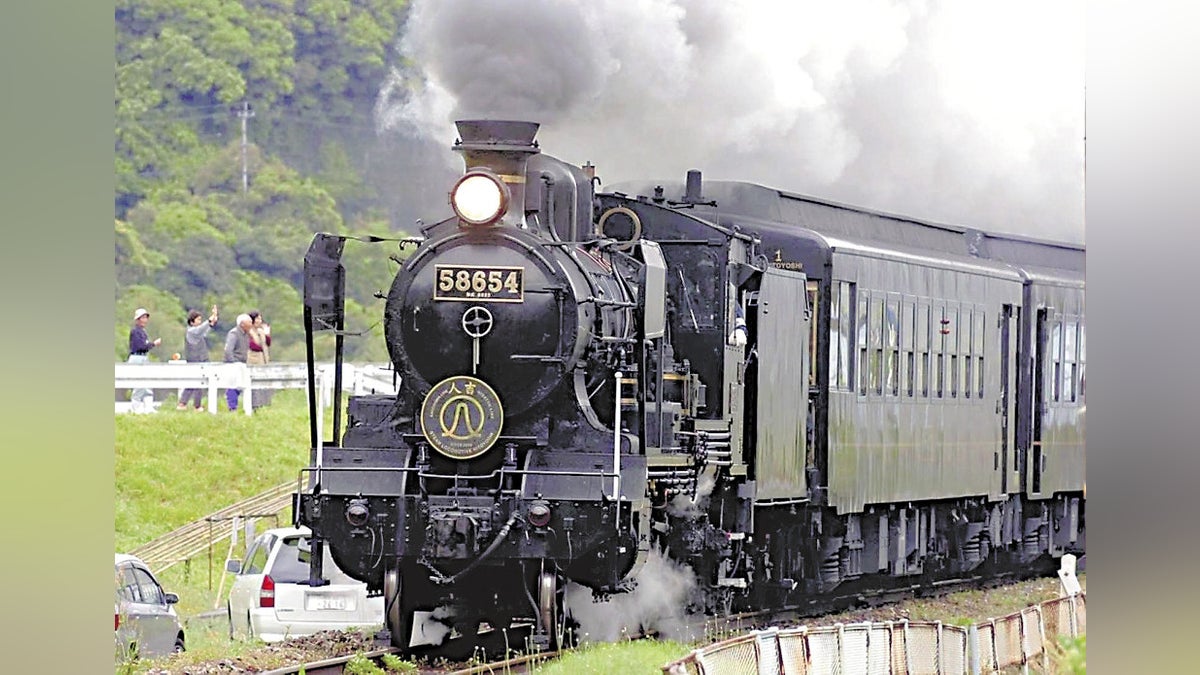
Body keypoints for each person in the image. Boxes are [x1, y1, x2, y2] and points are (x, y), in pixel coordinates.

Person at [178, 305, 219, 410]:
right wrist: (209, 320)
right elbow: (200, 330)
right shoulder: (191, 331)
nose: (200, 321)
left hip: (201, 360)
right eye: (198, 319)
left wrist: (212, 322)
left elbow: (204, 331)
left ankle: (195, 405)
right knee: (193, 382)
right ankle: (185, 403)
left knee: (199, 384)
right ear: (192, 322)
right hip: (194, 360)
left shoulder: (197, 332)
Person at [128, 308, 162, 411]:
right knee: (138, 384)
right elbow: (140, 346)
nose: (145, 319)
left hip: (143, 357)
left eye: (146, 317)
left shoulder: (143, 332)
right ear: (138, 319)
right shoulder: (135, 332)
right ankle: (136, 408)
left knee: (147, 383)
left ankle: (148, 407)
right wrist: (153, 344)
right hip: (137, 358)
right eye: (143, 317)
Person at [223, 313, 252, 411]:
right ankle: (232, 408)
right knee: (233, 386)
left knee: (239, 386)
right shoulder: (234, 333)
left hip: (242, 364)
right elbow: (228, 350)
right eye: (249, 322)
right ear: (242, 324)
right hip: (234, 365)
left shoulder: (246, 334)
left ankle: (235, 407)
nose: (251, 324)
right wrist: (233, 362)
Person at [247, 310, 273, 407]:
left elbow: (268, 343)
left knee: (264, 383)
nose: (260, 320)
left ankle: (264, 404)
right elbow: (254, 346)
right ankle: (254, 405)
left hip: (264, 360)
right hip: (254, 360)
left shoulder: (261, 331)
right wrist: (262, 346)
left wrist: (267, 334)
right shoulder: (249, 331)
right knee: (254, 384)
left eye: (260, 318)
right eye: (257, 318)